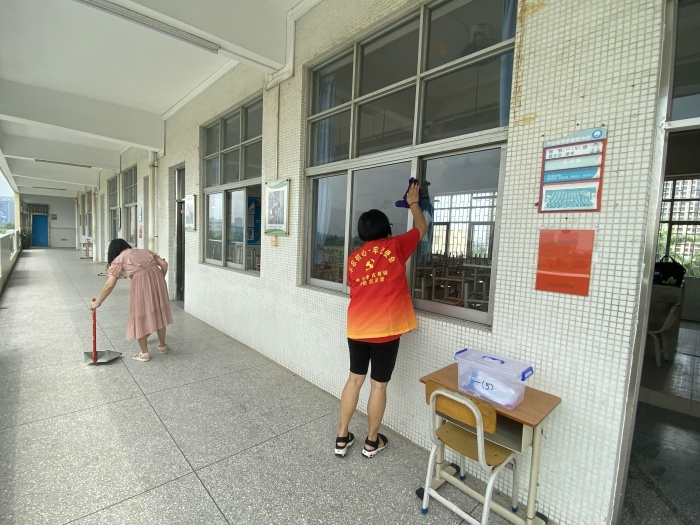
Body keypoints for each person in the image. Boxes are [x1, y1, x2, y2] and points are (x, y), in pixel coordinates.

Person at [335, 182, 428, 458]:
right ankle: (371, 442)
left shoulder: (353, 258)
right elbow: (421, 228)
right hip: (385, 331)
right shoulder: (395, 246)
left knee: (354, 380)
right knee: (378, 385)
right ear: (387, 230)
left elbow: (356, 286)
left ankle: (342, 437)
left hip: (357, 327)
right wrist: (414, 203)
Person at [90, 239, 173, 362]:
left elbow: (110, 285)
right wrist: (159, 278)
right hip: (158, 286)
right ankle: (163, 346)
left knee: (139, 317)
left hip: (141, 288)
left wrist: (98, 302)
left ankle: (144, 353)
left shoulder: (120, 259)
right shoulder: (145, 252)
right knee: (159, 313)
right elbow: (164, 264)